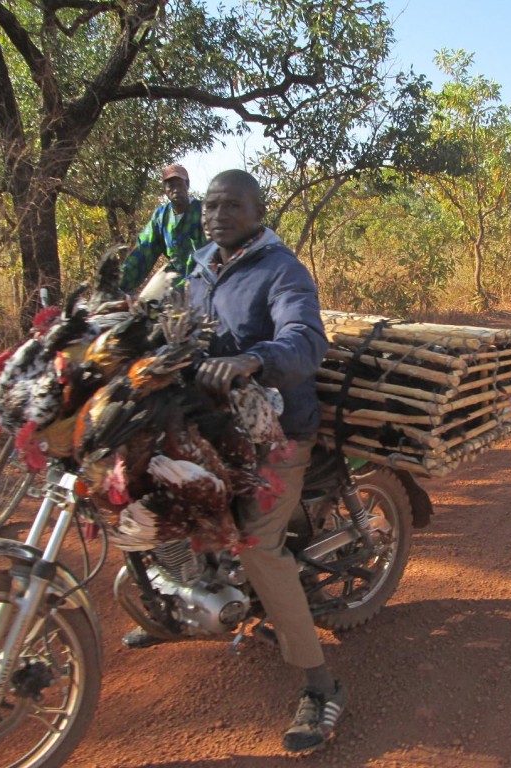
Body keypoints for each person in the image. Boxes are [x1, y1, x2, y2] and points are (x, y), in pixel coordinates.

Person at [124, 168, 344, 753]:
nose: (219, 215)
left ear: (258, 211)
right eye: (213, 206)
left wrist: (253, 359)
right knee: (150, 487)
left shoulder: (282, 270)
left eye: (233, 206)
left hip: (274, 429)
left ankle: (321, 685)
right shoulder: (196, 266)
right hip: (208, 420)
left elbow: (306, 339)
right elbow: (168, 322)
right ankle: (176, 602)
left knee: (258, 544)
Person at [119, 163, 207, 298]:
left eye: (179, 184)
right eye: (171, 186)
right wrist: (118, 283)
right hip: (174, 278)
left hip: (202, 279)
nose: (176, 189)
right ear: (165, 189)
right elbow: (143, 251)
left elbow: (213, 253)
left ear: (187, 185)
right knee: (145, 305)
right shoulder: (161, 216)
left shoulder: (202, 211)